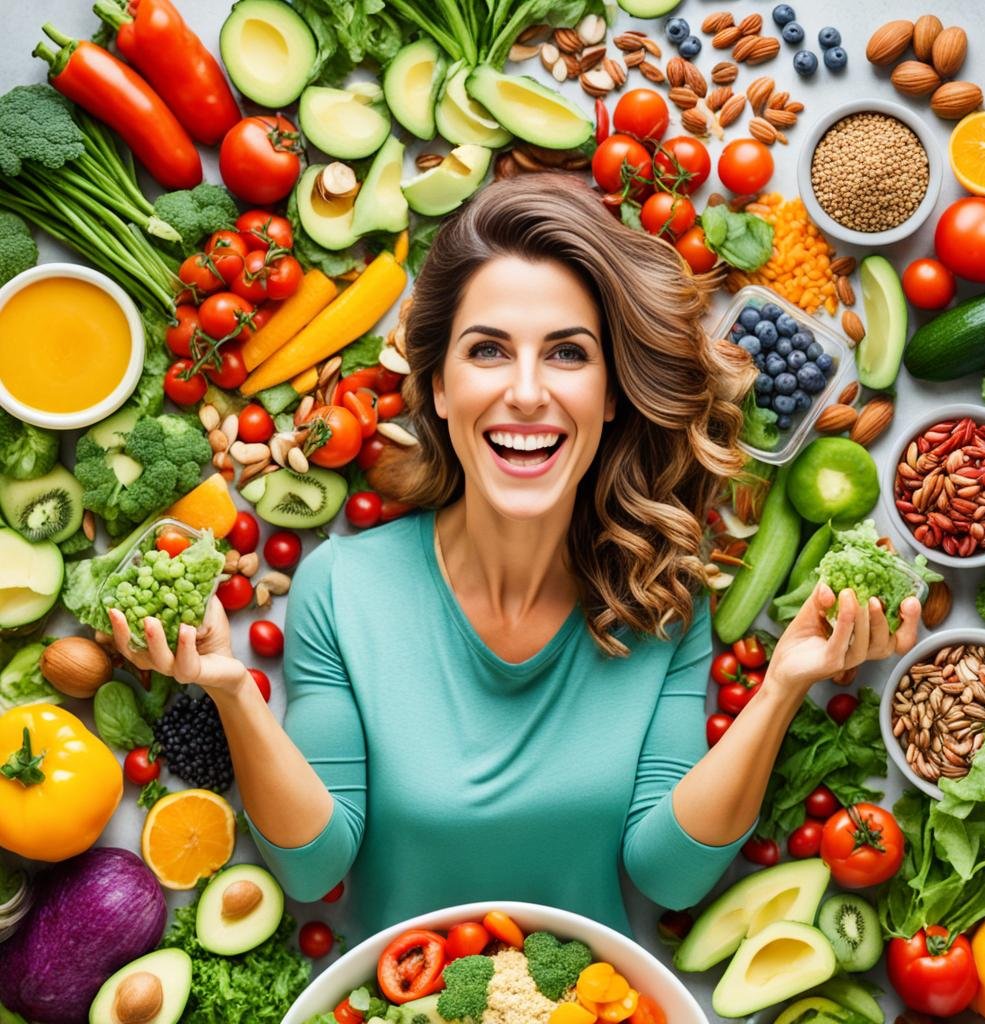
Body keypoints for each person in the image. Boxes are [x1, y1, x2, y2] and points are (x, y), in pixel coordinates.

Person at [107, 173, 921, 942]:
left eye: (567, 353)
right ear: (436, 387)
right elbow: (314, 865)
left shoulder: (661, 601)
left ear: (610, 395)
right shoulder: (342, 585)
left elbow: (669, 877)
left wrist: (782, 686)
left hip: (597, 1010)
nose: (527, 391)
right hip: (393, 1010)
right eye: (488, 351)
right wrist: (229, 694)